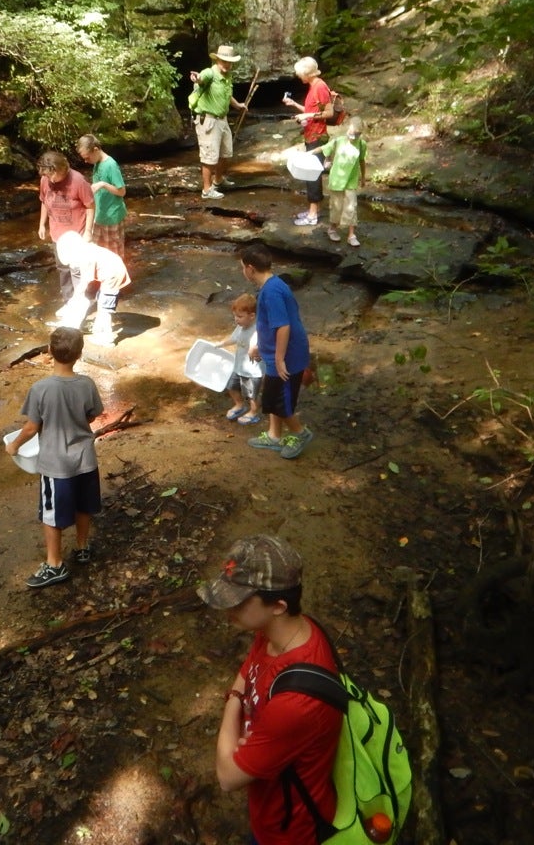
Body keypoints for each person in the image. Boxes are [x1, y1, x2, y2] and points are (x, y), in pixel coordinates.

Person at [199, 534, 342, 845]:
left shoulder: (295, 703)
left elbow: (227, 776)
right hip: (270, 801)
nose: (228, 610)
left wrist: (232, 703)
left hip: (287, 832)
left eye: (239, 601)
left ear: (278, 605)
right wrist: (241, 698)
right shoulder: (279, 630)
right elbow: (248, 670)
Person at [5, 326, 103, 588]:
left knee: (52, 515)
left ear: (49, 352)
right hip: (85, 459)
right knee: (84, 506)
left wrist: (14, 445)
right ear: (80, 354)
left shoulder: (41, 388)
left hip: (56, 465)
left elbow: (31, 427)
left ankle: (55, 564)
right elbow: (92, 415)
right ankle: (82, 548)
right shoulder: (87, 384)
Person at [239, 244, 313, 459]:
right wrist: (260, 346)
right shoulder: (274, 284)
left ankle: (301, 434)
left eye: (243, 267)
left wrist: (279, 359)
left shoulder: (271, 292)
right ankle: (274, 436)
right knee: (275, 397)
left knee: (277, 401)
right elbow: (269, 324)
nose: (242, 271)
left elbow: (283, 326)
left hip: (287, 356)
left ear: (250, 269)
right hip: (277, 353)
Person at [189, 45, 249, 199]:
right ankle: (207, 190)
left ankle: (218, 180)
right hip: (208, 120)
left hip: (222, 120)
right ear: (217, 60)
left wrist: (238, 105)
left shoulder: (227, 76)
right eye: (224, 61)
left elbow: (227, 95)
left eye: (229, 62)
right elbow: (201, 80)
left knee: (225, 152)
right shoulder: (210, 73)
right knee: (209, 157)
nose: (227, 64)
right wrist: (197, 79)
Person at [36, 150, 96, 303]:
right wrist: (42, 224)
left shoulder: (79, 181)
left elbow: (90, 206)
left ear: (60, 169)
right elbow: (44, 201)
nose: (48, 178)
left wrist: (88, 232)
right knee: (63, 269)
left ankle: (83, 301)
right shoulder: (45, 180)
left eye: (50, 175)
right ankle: (69, 301)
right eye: (45, 175)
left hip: (77, 235)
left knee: (78, 270)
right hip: (58, 236)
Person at [53, 230, 131, 345]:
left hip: (113, 277)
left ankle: (106, 338)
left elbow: (84, 282)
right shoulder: (87, 249)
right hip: (111, 274)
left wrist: (76, 297)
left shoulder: (86, 259)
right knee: (102, 302)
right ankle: (99, 328)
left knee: (105, 310)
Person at [283, 57, 334, 226]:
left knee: (312, 174)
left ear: (306, 73)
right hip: (311, 135)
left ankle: (312, 216)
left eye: (299, 74)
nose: (298, 77)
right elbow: (310, 111)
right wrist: (295, 105)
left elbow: (329, 113)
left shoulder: (320, 87)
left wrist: (308, 116)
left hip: (318, 137)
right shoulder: (313, 87)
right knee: (312, 173)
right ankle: (315, 209)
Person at [315, 117, 368, 247]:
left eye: (357, 134)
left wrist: (363, 177)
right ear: (347, 129)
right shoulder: (338, 141)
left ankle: (351, 235)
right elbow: (324, 149)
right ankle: (332, 229)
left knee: (352, 207)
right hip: (337, 179)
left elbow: (362, 161)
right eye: (351, 133)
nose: (353, 136)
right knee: (336, 207)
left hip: (351, 180)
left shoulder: (361, 144)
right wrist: (308, 153)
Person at [77, 134, 128, 260]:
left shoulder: (110, 165)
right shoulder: (97, 163)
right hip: (99, 215)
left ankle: (119, 279)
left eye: (87, 157)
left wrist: (103, 184)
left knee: (114, 255)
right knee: (97, 252)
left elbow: (122, 192)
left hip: (112, 217)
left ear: (95, 149)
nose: (85, 161)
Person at [218, 293, 263, 425]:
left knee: (251, 394)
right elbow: (234, 339)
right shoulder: (240, 327)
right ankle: (239, 405)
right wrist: (222, 343)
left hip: (253, 371)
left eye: (240, 317)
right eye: (235, 316)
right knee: (231, 386)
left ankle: (253, 413)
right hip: (239, 366)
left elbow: (259, 342)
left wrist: (255, 347)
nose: (236, 320)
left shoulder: (257, 329)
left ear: (252, 316)